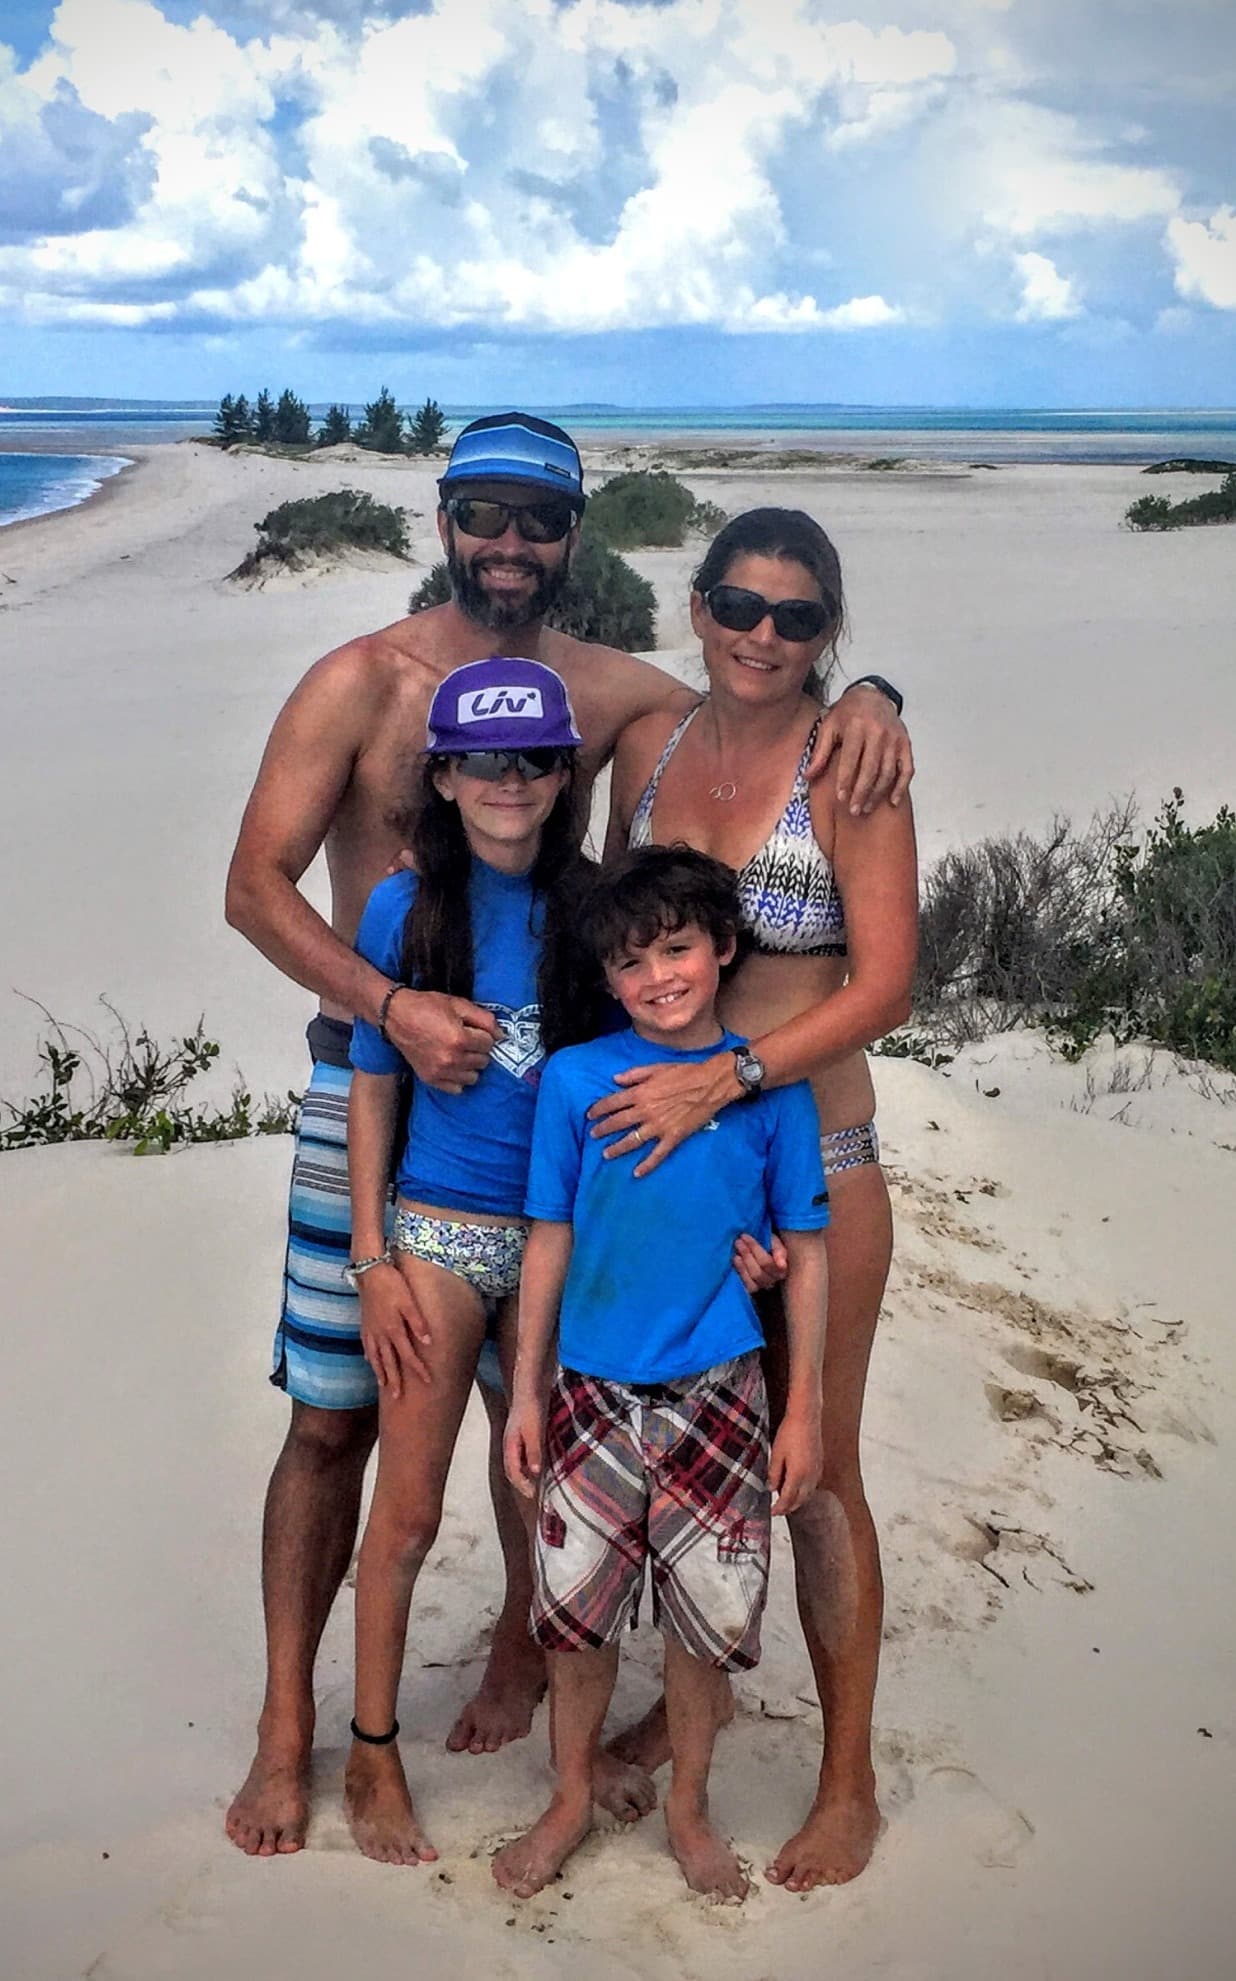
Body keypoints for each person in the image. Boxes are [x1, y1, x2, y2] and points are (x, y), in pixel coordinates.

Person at [223, 411, 912, 1857]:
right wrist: (389, 1008)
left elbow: (784, 741)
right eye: (488, 515)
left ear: (575, 538)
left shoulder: (611, 698)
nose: (513, 544)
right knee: (339, 1424)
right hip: (393, 1107)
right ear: (446, 517)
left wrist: (880, 693)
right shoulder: (372, 684)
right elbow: (255, 888)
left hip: (658, 1145)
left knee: (626, 1432)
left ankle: (566, 1666)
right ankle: (302, 1731)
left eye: (541, 520)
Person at [598, 508, 919, 1891]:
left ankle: (848, 1781)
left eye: (797, 617)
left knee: (815, 1474)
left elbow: (885, 983)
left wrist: (728, 1075)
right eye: (738, 602)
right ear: (699, 603)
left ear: (828, 630)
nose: (762, 634)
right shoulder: (650, 741)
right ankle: (691, 1713)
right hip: (675, 1168)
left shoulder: (854, 764)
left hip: (814, 1166)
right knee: (678, 1451)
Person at [497, 847, 829, 1901]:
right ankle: (567, 1795)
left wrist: (804, 1403)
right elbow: (546, 1233)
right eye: (632, 962)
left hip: (721, 1391)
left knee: (704, 1624)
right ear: (606, 977)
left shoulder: (773, 1089)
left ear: (724, 947)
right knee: (577, 1617)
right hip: (588, 1389)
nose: (659, 977)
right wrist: (525, 1388)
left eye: (679, 948)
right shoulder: (575, 1078)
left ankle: (688, 1806)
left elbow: (802, 1248)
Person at [342, 658, 607, 1864]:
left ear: (565, 774)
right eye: (485, 761)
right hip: (439, 1234)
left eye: (536, 759)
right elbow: (373, 1084)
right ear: (444, 776)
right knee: (402, 1514)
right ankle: (372, 1743)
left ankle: (537, 1689)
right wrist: (372, 1257)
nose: (511, 782)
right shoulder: (403, 910)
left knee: (543, 1501)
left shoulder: (597, 913)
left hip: (555, 1240)